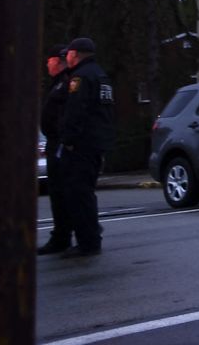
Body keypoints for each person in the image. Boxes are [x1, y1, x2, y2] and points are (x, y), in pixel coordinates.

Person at [55, 36, 115, 257]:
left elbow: (76, 112)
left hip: (81, 145)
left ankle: (87, 241)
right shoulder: (101, 75)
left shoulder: (80, 77)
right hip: (96, 143)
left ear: (75, 54)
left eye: (69, 54)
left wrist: (68, 140)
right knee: (86, 192)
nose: (67, 58)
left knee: (79, 193)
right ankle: (90, 237)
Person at [37, 44, 74, 255]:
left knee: (61, 193)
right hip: (55, 143)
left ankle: (62, 236)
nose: (47, 65)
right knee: (57, 193)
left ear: (58, 61)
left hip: (59, 145)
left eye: (49, 61)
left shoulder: (65, 84)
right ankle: (61, 234)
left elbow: (64, 115)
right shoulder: (59, 84)